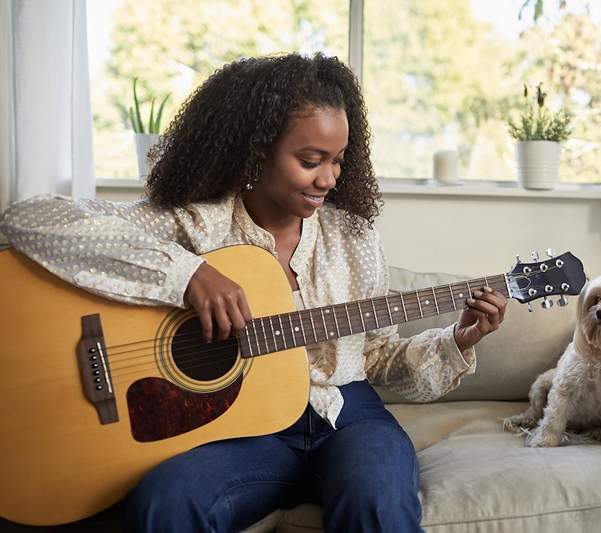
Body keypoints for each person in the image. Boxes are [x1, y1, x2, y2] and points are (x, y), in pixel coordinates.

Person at [0, 52, 507, 532]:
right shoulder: (196, 223)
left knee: (376, 499)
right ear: (257, 149)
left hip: (347, 417)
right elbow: (31, 220)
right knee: (168, 500)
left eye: (338, 159)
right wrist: (188, 275)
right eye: (311, 159)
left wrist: (456, 341)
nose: (328, 178)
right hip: (239, 431)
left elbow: (376, 356)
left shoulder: (354, 236)